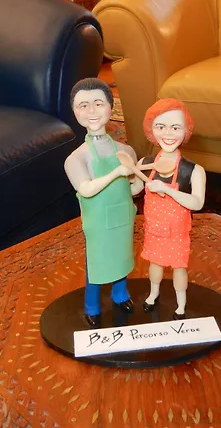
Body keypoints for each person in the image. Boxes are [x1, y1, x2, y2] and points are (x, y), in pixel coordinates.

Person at [64, 78, 143, 328]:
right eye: (83, 105)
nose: (92, 111)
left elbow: (133, 188)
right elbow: (86, 189)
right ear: (75, 112)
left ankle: (120, 295)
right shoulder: (76, 158)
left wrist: (143, 181)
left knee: (122, 257)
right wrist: (116, 173)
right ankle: (92, 306)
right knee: (97, 265)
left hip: (123, 216)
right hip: (97, 221)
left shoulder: (126, 151)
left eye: (98, 103)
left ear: (111, 107)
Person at [138, 98, 206, 319]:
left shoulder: (193, 170)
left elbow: (197, 203)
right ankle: (153, 294)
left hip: (177, 232)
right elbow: (134, 188)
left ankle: (181, 305)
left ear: (186, 131)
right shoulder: (145, 164)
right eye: (161, 126)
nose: (168, 133)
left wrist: (167, 190)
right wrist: (125, 174)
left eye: (175, 128)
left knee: (179, 268)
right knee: (155, 264)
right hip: (154, 229)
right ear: (151, 129)